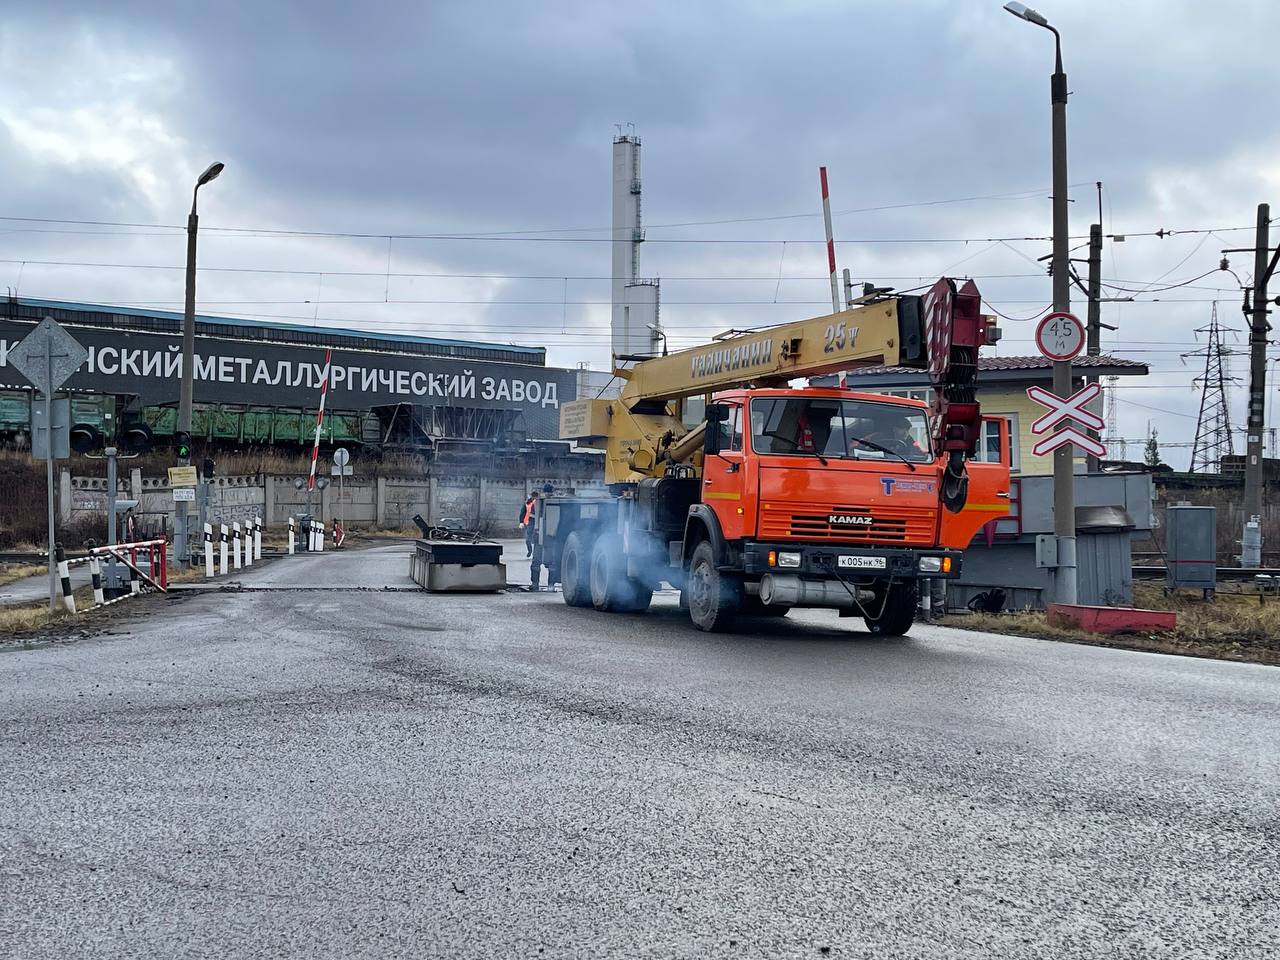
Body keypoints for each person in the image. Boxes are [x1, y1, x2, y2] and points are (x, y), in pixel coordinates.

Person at [528, 482, 554, 590]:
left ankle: (538, 585)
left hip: (543, 537)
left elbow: (531, 520)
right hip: (545, 537)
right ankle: (548, 585)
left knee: (539, 562)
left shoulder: (537, 502)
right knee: (547, 563)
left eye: (550, 492)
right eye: (548, 492)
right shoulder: (540, 503)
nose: (549, 494)